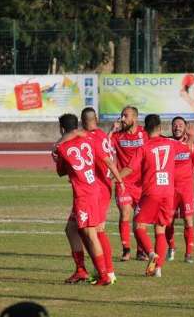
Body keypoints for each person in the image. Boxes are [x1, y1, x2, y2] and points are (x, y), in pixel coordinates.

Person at [54, 113, 124, 286]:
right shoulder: (89, 139)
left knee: (92, 234)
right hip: (92, 189)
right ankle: (81, 271)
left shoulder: (61, 148)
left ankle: (104, 274)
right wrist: (120, 181)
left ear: (62, 129)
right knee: (71, 229)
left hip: (84, 194)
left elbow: (61, 172)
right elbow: (106, 158)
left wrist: (57, 150)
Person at [120, 114, 182, 277]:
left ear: (145, 130)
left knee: (138, 225)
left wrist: (114, 177)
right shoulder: (171, 144)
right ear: (161, 128)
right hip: (168, 193)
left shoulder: (144, 147)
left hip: (151, 192)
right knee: (160, 229)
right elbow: (187, 148)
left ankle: (151, 253)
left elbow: (130, 168)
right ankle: (158, 269)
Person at [109, 106, 149, 261]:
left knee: (140, 218)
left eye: (125, 116)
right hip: (123, 182)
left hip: (142, 183)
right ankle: (126, 249)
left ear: (135, 118)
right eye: (121, 115)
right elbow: (103, 146)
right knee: (125, 214)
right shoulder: (118, 136)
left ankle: (141, 250)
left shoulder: (144, 134)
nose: (122, 119)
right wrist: (111, 130)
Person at [165, 116, 194, 263]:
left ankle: (189, 253)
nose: (177, 127)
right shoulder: (167, 143)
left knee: (188, 220)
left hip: (186, 190)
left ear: (185, 127)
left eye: (180, 125)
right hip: (169, 190)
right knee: (168, 221)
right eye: (175, 125)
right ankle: (171, 247)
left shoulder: (192, 147)